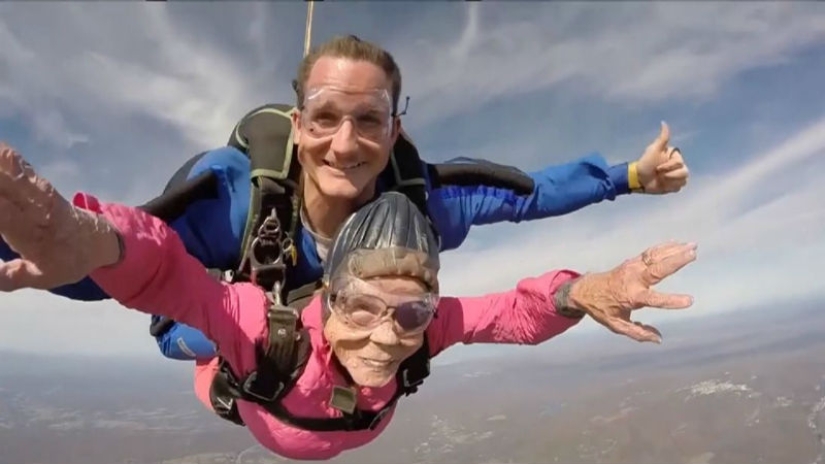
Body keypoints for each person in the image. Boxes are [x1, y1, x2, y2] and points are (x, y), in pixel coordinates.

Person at [0, 35, 690, 365]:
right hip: (216, 320)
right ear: (297, 128)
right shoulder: (238, 198)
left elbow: (526, 193)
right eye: (326, 118)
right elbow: (128, 255)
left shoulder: (419, 209)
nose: (345, 143)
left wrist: (629, 176)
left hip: (337, 331)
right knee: (239, 334)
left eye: (369, 121)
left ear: (394, 131)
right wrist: (46, 247)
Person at [0, 143, 697, 461]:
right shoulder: (261, 330)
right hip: (233, 362)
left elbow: (512, 312)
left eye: (411, 312)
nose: (386, 337)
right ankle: (182, 332)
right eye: (360, 308)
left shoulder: (423, 330)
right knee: (199, 319)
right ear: (328, 298)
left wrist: (584, 291)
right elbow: (164, 271)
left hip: (290, 398)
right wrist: (88, 239)